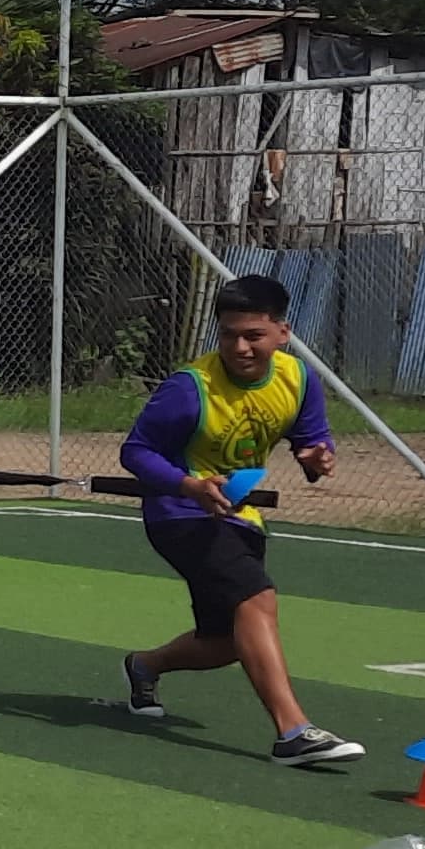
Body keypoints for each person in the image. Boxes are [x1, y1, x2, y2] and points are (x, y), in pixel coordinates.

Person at [117, 273, 357, 769]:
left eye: (254, 335)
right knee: (256, 598)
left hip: (239, 518)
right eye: (229, 335)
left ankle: (144, 665)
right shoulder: (189, 388)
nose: (240, 347)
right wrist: (189, 486)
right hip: (180, 515)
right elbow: (136, 451)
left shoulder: (298, 379)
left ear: (283, 333)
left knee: (227, 641)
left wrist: (318, 458)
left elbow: (312, 441)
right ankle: (293, 732)